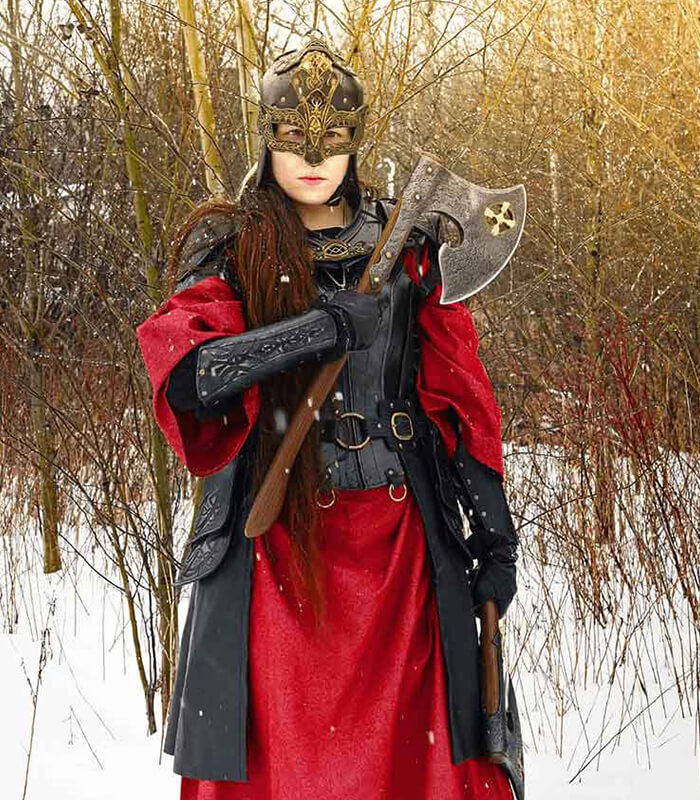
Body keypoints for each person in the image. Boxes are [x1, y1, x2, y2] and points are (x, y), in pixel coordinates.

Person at [136, 29, 520, 800]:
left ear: (356, 140)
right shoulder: (231, 245)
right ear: (266, 138)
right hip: (276, 554)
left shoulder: (408, 246)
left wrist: (496, 538)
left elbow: (459, 400)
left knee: (419, 762)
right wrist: (318, 330)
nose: (313, 156)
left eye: (333, 137)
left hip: (403, 548)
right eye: (293, 136)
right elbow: (190, 377)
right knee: (285, 766)